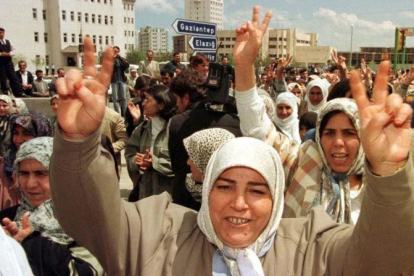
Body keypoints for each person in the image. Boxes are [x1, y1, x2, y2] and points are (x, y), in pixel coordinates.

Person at [50, 9, 414, 274]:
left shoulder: (312, 249)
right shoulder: (158, 235)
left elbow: (380, 258)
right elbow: (89, 217)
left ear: (277, 198)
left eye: (257, 190)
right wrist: (79, 143)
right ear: (205, 186)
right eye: (224, 185)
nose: (239, 203)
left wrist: (388, 173)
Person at [0, 137, 104, 275]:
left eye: (41, 173)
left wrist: (29, 244)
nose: (30, 184)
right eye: (24, 173)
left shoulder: (85, 221)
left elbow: (87, 271)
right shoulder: (7, 220)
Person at [168, 70, 242, 210]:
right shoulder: (236, 120)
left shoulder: (177, 122)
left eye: (177, 98)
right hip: (226, 197)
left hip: (185, 200)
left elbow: (177, 166)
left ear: (186, 97)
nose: (176, 104)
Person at [125, 85, 177, 199]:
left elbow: (182, 165)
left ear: (161, 105)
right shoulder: (141, 129)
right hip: (146, 196)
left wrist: (154, 163)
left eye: (147, 100)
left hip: (169, 197)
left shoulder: (175, 129)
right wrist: (137, 161)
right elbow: (129, 154)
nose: (143, 104)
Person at [0, 111, 53, 211]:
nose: (19, 139)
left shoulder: (58, 165)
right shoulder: (4, 164)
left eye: (27, 133)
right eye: (15, 133)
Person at [183, 128, 235, 202]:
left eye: (194, 157)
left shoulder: (222, 201)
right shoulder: (190, 187)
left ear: (207, 160)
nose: (188, 162)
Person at [0, 28, 26, 97]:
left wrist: (9, 54)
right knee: (3, 78)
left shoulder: (8, 42)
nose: (1, 34)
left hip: (8, 62)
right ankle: (5, 93)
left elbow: (13, 50)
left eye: (2, 33)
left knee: (13, 77)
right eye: (0, 33)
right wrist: (1, 54)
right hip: (1, 63)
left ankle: (19, 93)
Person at [110, 46, 130, 116]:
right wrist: (113, 57)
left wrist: (120, 57)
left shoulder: (122, 59)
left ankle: (124, 114)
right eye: (114, 51)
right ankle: (116, 113)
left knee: (123, 98)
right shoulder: (111, 59)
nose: (116, 52)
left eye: (117, 51)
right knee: (115, 98)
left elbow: (126, 65)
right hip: (114, 81)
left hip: (122, 80)